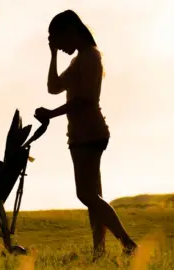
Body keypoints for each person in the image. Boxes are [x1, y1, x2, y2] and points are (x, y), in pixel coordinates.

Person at [34, 10, 138, 260]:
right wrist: (52, 56)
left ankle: (127, 244)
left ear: (71, 32)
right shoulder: (79, 59)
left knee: (86, 195)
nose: (61, 48)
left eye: (59, 42)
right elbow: (53, 87)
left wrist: (51, 113)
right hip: (80, 134)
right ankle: (99, 252)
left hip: (89, 133)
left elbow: (86, 100)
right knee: (94, 197)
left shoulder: (90, 57)